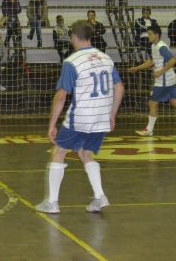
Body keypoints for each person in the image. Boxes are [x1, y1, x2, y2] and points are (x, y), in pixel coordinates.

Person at [34, 20, 124, 214]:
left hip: (81, 116)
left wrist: (52, 124)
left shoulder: (72, 61)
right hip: (101, 116)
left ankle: (52, 202)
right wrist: (112, 114)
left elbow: (61, 96)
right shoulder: (106, 58)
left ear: (74, 37)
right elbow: (119, 88)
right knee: (86, 153)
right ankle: (99, 197)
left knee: (58, 152)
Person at [129, 26, 176, 136]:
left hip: (164, 81)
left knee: (152, 102)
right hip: (170, 79)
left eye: (150, 34)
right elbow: (151, 61)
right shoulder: (154, 46)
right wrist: (137, 68)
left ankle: (149, 130)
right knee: (174, 101)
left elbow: (173, 60)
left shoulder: (161, 47)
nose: (148, 36)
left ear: (157, 35)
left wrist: (160, 72)